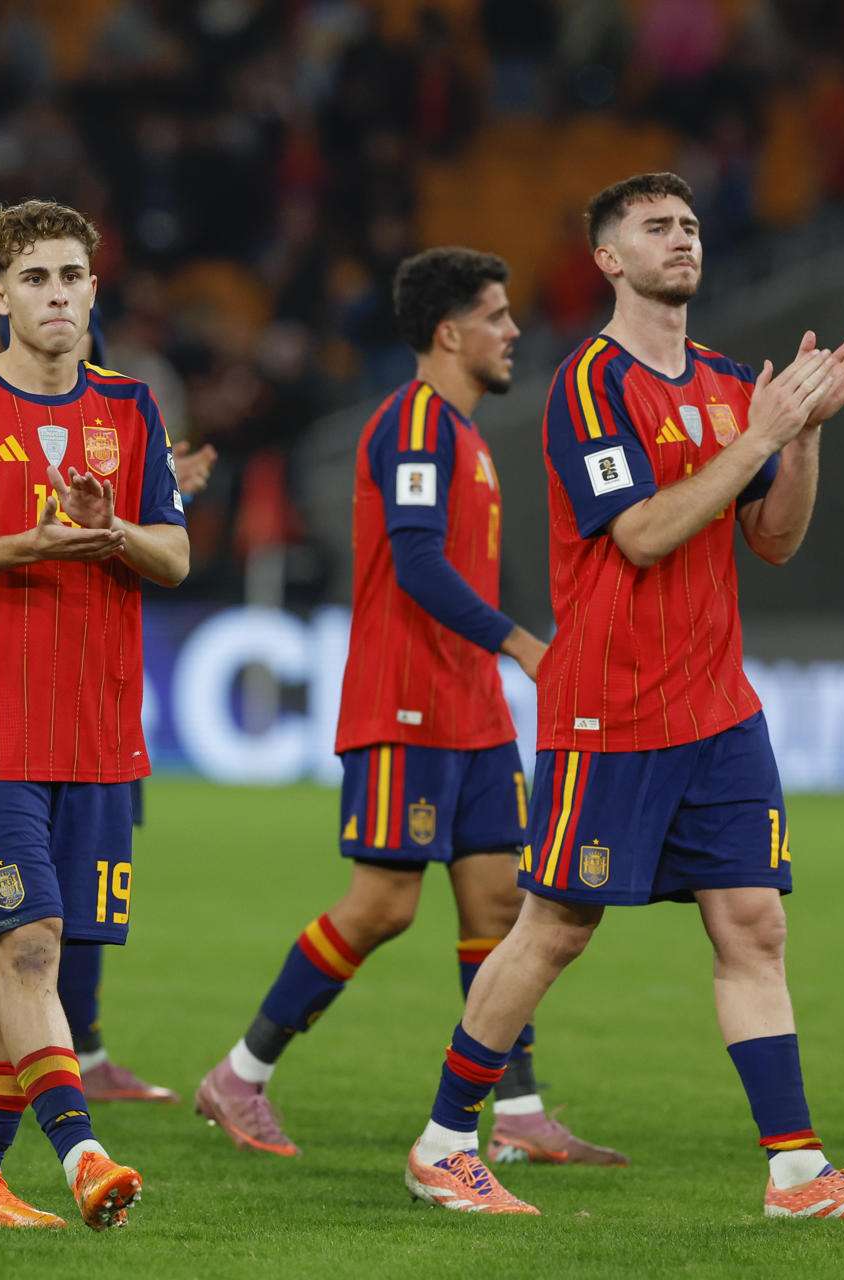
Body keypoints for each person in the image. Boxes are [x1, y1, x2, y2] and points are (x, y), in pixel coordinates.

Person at [403, 172, 844, 1221]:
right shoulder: (591, 384)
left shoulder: (735, 381)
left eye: (689, 224)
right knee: (555, 924)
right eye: (655, 226)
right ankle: (445, 1142)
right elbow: (638, 533)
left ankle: (797, 1173)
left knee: (753, 923)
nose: (681, 238)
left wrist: (805, 431)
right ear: (608, 258)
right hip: (612, 703)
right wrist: (759, 435)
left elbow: (772, 540)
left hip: (718, 706)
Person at [193, 247, 623, 1166]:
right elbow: (419, 563)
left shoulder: (466, 437)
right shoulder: (415, 426)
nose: (513, 332)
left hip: (471, 712)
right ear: (448, 331)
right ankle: (241, 1073)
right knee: (384, 906)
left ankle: (518, 1114)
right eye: (497, 316)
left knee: (501, 906)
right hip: (406, 705)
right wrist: (521, 645)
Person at [0, 199, 188, 1231]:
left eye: (72, 277)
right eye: (36, 279)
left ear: (93, 290)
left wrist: (110, 535)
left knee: (29, 960)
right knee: (29, 944)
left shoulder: (132, 407)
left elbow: (178, 556)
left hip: (97, 723)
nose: (57, 295)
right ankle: (82, 1151)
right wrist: (30, 542)